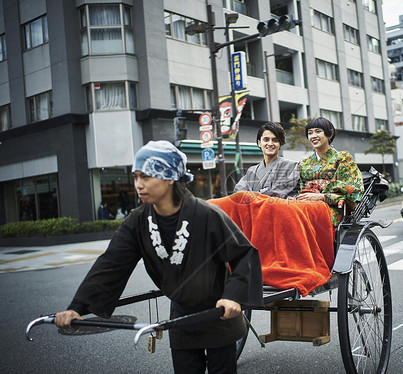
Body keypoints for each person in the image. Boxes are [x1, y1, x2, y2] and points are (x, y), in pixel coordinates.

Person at [55, 140, 263, 374]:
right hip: (182, 318)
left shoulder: (207, 214)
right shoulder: (137, 220)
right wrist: (77, 307)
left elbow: (244, 254)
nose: (138, 185)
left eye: (146, 177)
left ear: (169, 177)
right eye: (135, 177)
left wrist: (233, 297)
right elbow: (112, 263)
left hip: (219, 313)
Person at [296, 117, 364, 226]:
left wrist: (322, 197)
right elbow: (299, 189)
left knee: (308, 218)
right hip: (305, 205)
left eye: (318, 131)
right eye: (310, 133)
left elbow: (354, 191)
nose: (313, 136)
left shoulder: (342, 157)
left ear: (330, 134)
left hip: (333, 208)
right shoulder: (303, 164)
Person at [233, 122, 299, 198]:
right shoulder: (252, 171)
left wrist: (250, 195)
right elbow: (238, 192)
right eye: (266, 140)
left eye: (275, 140)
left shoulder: (291, 166)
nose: (270, 143)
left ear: (280, 144)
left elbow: (276, 193)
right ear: (259, 143)